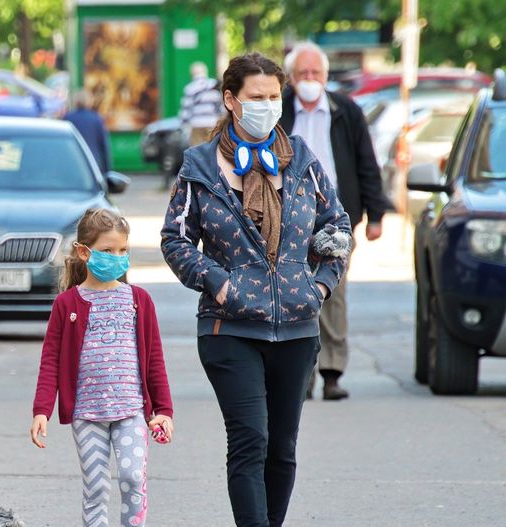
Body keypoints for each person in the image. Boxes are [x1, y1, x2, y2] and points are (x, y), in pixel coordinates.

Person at [161, 52, 352, 527]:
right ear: (231, 100)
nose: (267, 106)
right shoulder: (200, 166)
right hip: (229, 329)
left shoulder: (303, 162)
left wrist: (321, 288)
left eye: (273, 97)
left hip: (298, 326)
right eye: (256, 97)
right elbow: (175, 239)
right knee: (251, 440)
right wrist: (217, 282)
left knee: (282, 449)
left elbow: (337, 227)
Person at [31, 209, 174, 527]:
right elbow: (51, 360)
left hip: (131, 411)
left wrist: (163, 409)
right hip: (87, 413)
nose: (118, 257)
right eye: (108, 250)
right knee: (96, 488)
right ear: (85, 252)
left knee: (132, 477)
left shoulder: (139, 300)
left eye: (123, 250)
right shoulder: (67, 304)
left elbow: (154, 360)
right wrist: (42, 409)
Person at [280, 41, 390, 401]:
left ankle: (331, 371)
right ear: (291, 78)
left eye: (315, 73)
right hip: (288, 218)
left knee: (333, 292)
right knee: (294, 292)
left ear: (326, 77)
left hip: (336, 217)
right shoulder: (279, 109)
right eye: (302, 74)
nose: (309, 80)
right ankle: (301, 375)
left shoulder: (346, 110)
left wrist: (376, 214)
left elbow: (366, 164)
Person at [64, 90, 112, 173]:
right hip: (93, 163)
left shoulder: (68, 118)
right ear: (89, 102)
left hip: (73, 163)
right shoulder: (97, 119)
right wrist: (107, 170)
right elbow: (104, 146)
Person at [179, 61, 224, 146]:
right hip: (212, 124)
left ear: (192, 74)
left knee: (197, 152)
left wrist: (183, 124)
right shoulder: (214, 85)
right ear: (205, 72)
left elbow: (186, 110)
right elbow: (221, 107)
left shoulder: (190, 88)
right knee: (212, 150)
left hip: (197, 125)